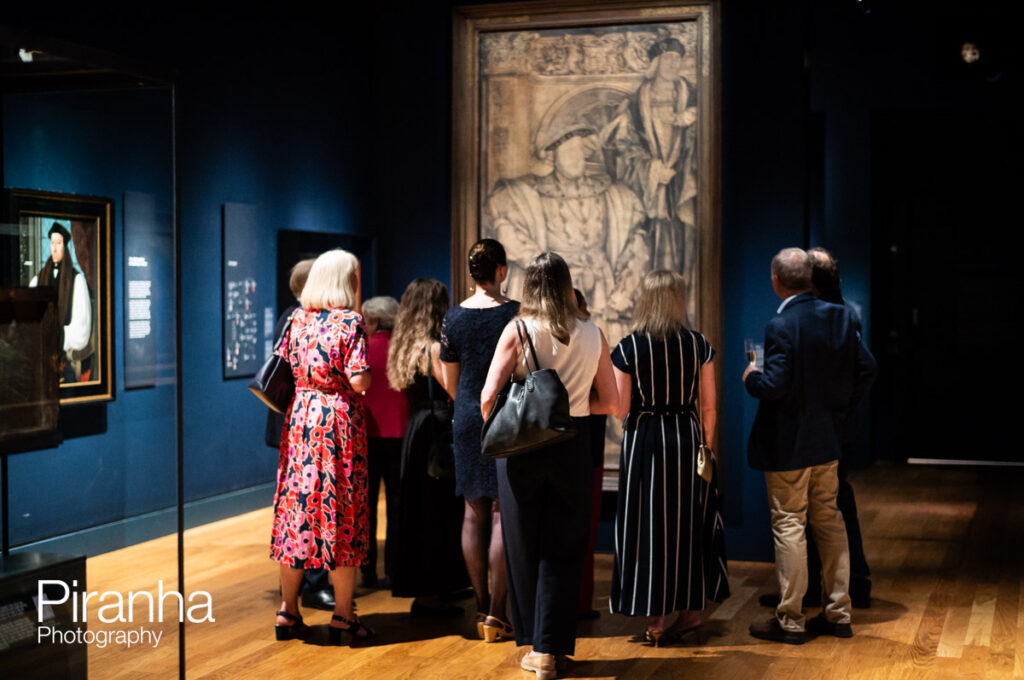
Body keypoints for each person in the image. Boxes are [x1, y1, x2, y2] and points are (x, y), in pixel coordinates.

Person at [480, 252, 618, 680]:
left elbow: (487, 397)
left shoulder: (518, 330)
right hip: (573, 445)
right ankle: (551, 649)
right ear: (565, 286)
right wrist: (573, 408)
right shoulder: (593, 333)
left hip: (522, 448)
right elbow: (612, 403)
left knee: (523, 544)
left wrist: (510, 420)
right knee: (565, 547)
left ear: (529, 286)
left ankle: (534, 649)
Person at [743, 248, 877, 645]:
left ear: (777, 282)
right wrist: (842, 411)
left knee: (789, 525)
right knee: (830, 522)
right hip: (828, 442)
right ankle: (838, 614)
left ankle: (791, 620)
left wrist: (751, 375)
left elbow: (774, 386)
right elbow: (868, 369)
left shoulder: (781, 324)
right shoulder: (841, 316)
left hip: (789, 446)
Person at [609, 270, 729, 645]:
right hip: (687, 436)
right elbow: (708, 407)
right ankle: (690, 614)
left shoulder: (629, 347)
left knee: (647, 525)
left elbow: (620, 407)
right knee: (687, 524)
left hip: (645, 439)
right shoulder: (698, 345)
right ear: (678, 299)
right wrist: (705, 449)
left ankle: (656, 620)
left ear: (644, 300)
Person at [269, 248, 374, 643]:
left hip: (300, 422)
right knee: (341, 512)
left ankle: (288, 611)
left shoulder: (297, 319)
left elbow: (282, 364)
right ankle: (344, 616)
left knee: (296, 514)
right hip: (337, 424)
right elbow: (360, 380)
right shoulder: (350, 322)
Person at [484, 121, 649, 344]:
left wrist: (623, 293)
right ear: (553, 155)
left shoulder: (613, 195)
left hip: (602, 287)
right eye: (570, 151)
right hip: (552, 286)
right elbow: (512, 237)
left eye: (582, 151)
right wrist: (548, 274)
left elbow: (635, 246)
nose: (578, 158)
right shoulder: (522, 195)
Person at [439, 239, 520, 641]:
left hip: (468, 415)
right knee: (503, 514)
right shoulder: (516, 314)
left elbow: (452, 383)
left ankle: (480, 605)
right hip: (507, 413)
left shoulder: (452, 319)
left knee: (473, 512)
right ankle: (499, 614)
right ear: (501, 270)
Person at [386, 278, 470, 615]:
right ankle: (433, 592)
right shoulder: (434, 347)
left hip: (417, 432)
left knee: (418, 511)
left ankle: (427, 588)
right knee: (439, 512)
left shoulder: (404, 344)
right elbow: (455, 392)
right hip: (437, 431)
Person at [602, 37, 699, 320]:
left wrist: (692, 120)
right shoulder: (637, 100)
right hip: (652, 187)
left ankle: (678, 311)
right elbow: (625, 146)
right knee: (653, 243)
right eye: (667, 58)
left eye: (676, 59)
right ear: (656, 63)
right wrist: (653, 168)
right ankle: (651, 312)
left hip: (682, 185)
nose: (672, 64)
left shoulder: (689, 93)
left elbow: (701, 138)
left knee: (682, 245)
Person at [264, 257, 336, 612]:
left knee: (306, 505)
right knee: (304, 507)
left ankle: (306, 583)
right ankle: (309, 582)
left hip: (302, 425)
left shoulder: (300, 320)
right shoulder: (296, 320)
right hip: (300, 427)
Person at [359, 295, 407, 589]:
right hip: (400, 435)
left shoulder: (363, 349)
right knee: (397, 507)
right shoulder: (403, 350)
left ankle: (366, 571)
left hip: (367, 436)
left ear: (374, 321)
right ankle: (394, 569)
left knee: (365, 508)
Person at [573, 288, 605, 620]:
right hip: (587, 447)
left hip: (547, 445)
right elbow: (610, 401)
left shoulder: (541, 340)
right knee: (585, 529)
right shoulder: (592, 339)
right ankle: (580, 602)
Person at [29, 221, 92, 382]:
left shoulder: (77, 281)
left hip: (64, 353)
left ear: (65, 246)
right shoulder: (39, 279)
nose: (54, 248)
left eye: (59, 243)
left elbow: (82, 327)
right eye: (52, 243)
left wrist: (61, 338)